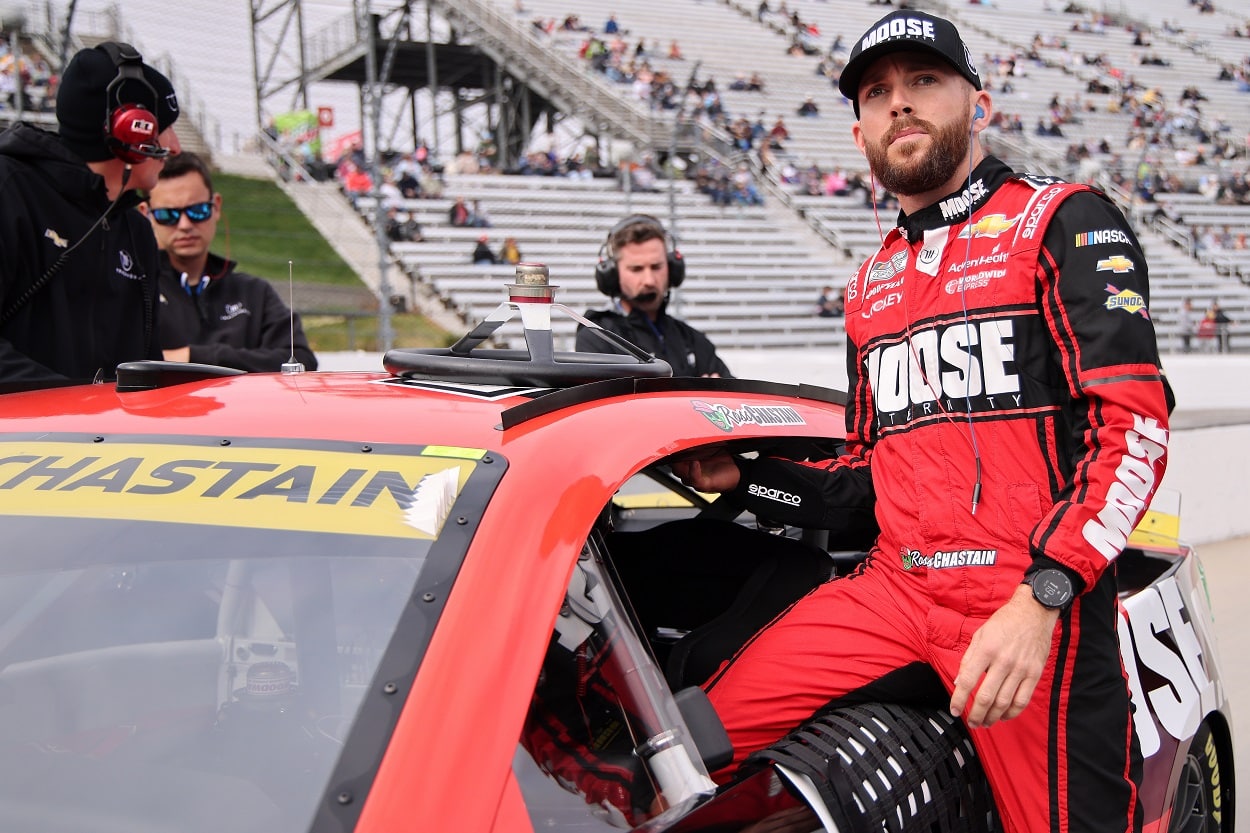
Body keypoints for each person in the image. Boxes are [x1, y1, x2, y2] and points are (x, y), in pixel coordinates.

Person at [672, 11, 1171, 833]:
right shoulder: (870, 283)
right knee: (689, 741)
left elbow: (1134, 431)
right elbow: (865, 475)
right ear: (860, 129)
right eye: (878, 93)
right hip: (895, 590)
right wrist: (748, 476)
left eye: (924, 82)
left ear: (976, 101)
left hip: (1023, 596)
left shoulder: (1066, 220)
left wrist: (1042, 598)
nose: (900, 105)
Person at [0, 41, 181, 388]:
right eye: (166, 126)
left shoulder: (137, 231)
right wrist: (79, 403)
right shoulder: (9, 191)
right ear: (131, 129)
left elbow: (146, 365)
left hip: (105, 438)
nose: (175, 146)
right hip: (21, 438)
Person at [142, 152, 317, 372]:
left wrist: (193, 357)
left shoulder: (254, 293)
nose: (185, 225)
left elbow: (301, 361)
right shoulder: (137, 293)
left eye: (197, 211)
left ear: (215, 206)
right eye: (168, 215)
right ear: (145, 214)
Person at [576, 214, 731, 377]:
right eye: (636, 269)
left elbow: (736, 397)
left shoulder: (692, 340)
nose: (649, 280)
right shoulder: (598, 337)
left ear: (671, 269)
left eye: (656, 267)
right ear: (613, 275)